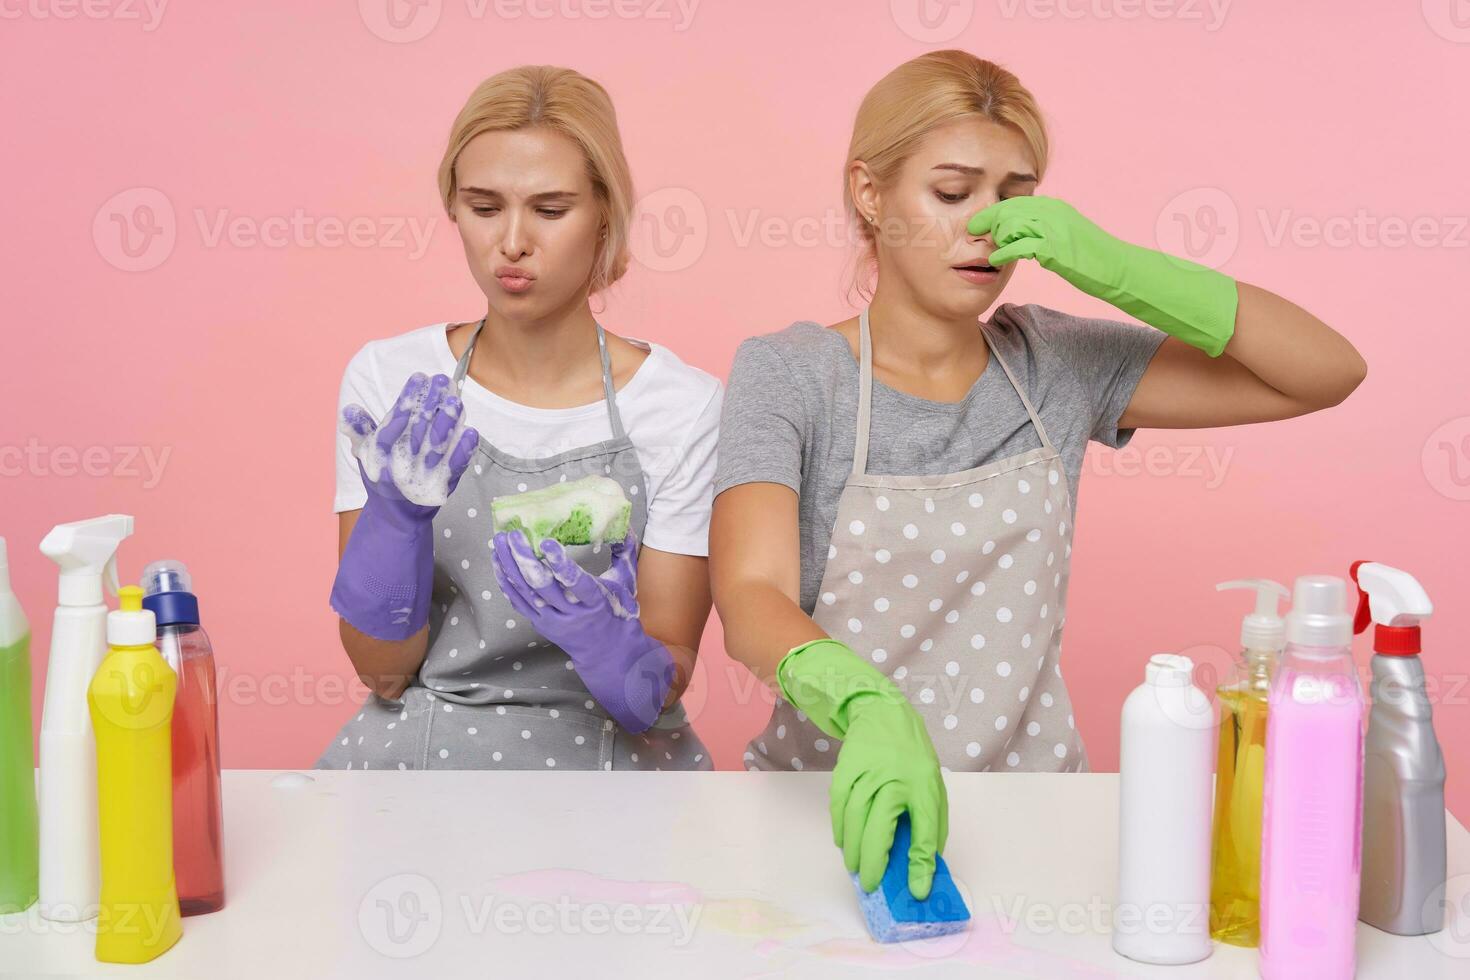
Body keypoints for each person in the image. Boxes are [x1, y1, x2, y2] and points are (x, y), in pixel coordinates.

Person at [709, 50, 1366, 899]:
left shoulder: (1056, 361)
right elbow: (751, 592)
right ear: (870, 195)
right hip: (828, 808)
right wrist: (865, 704)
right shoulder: (790, 373)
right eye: (951, 194)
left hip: (1037, 815)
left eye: (1016, 199)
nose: (986, 227)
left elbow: (1326, 371)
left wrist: (1119, 268)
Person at [317, 65, 722, 771]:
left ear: (605, 213)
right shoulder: (393, 385)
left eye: (551, 209)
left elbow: (653, 691)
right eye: (483, 206)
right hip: (419, 756)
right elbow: (381, 673)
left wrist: (610, 642)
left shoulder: (681, 408)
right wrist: (393, 527)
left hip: (612, 763)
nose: (512, 242)